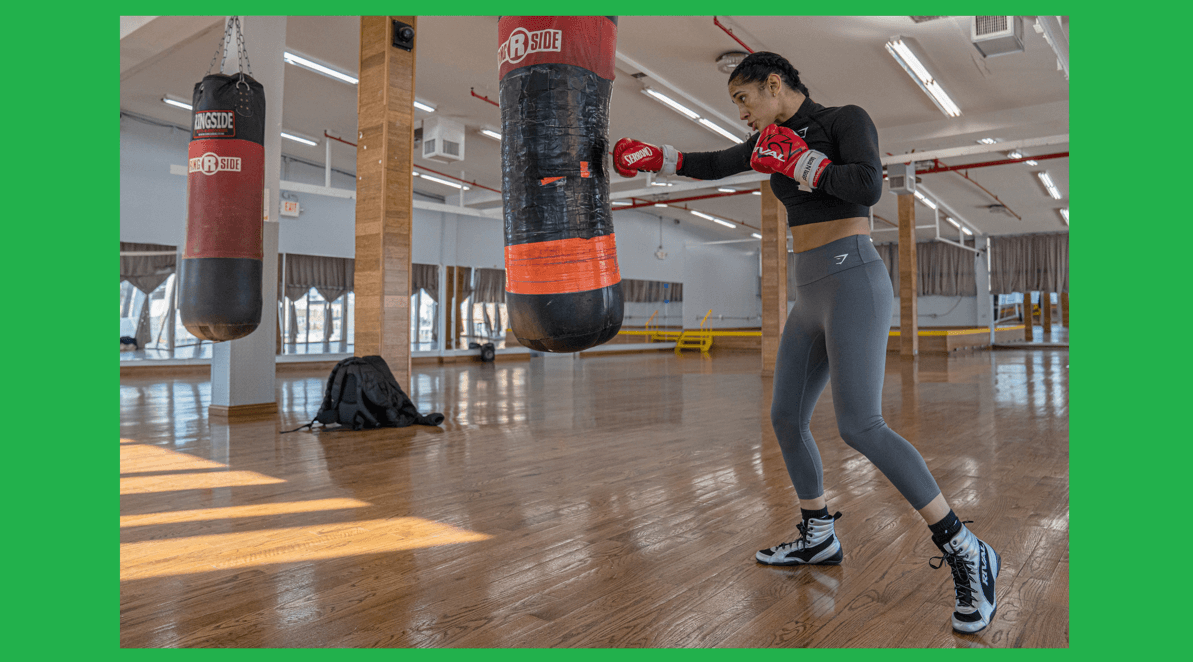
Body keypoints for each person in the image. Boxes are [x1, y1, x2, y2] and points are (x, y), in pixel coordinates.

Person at [613, 51, 1001, 634]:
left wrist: (805, 165)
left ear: (774, 84)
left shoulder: (847, 119)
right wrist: (656, 158)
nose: (741, 113)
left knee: (859, 424)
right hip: (809, 293)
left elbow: (868, 187)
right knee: (786, 417)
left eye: (744, 98)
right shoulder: (766, 139)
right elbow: (714, 162)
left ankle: (968, 549)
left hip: (854, 281)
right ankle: (818, 534)